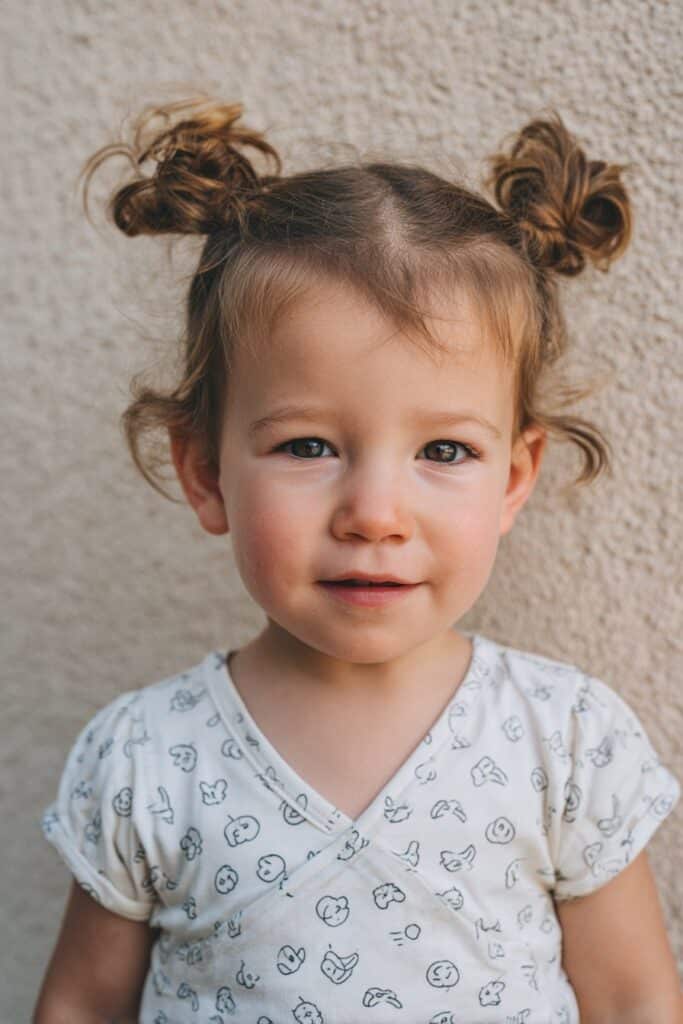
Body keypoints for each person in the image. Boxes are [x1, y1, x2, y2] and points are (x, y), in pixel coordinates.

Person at [34, 97, 682, 1024]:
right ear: (205, 471)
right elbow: (81, 1007)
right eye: (307, 446)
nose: (374, 514)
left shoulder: (564, 740)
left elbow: (632, 1000)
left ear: (513, 477)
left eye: (444, 451)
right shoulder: (146, 757)